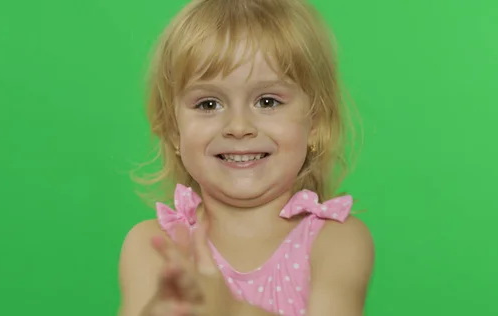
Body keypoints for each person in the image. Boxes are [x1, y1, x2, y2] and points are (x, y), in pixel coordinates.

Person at [118, 0, 375, 315]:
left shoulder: (336, 241)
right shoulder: (154, 246)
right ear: (174, 132)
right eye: (209, 104)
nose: (238, 127)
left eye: (267, 101)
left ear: (316, 123)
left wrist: (232, 310)